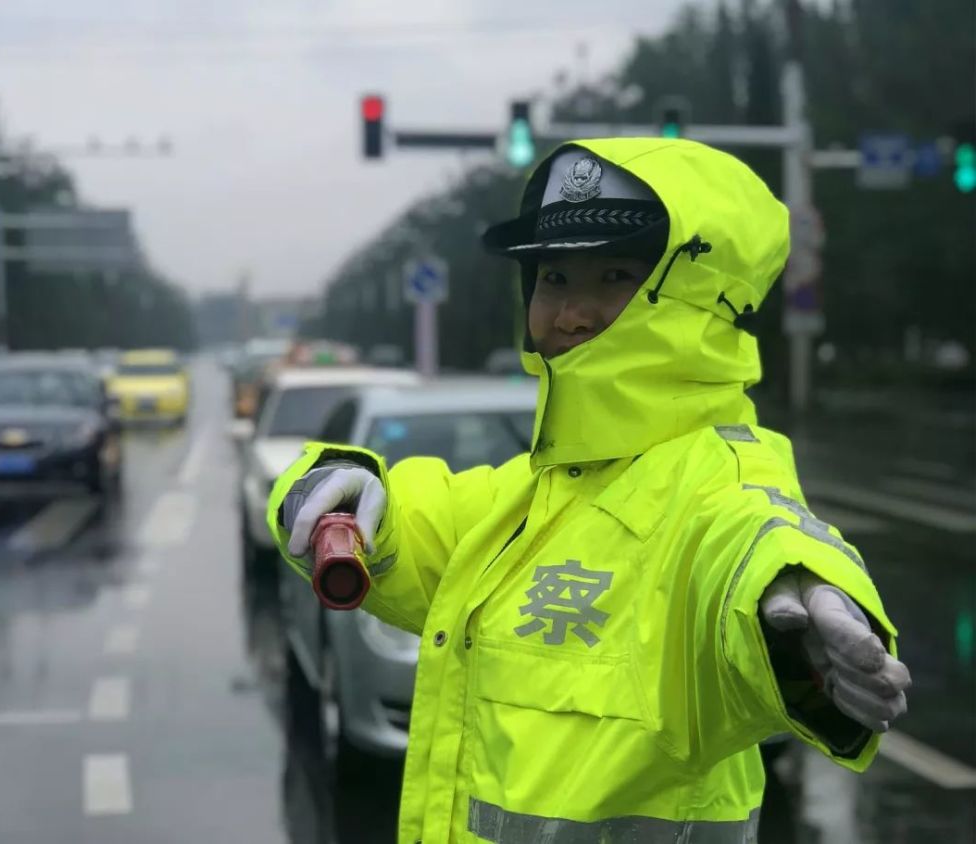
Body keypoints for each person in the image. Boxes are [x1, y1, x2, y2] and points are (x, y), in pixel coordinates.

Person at [267, 138, 911, 844]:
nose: (570, 311)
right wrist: (328, 487)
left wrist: (789, 607)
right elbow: (415, 524)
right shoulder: (539, 492)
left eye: (611, 275)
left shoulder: (712, 480)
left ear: (697, 298)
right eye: (553, 278)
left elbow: (751, 540)